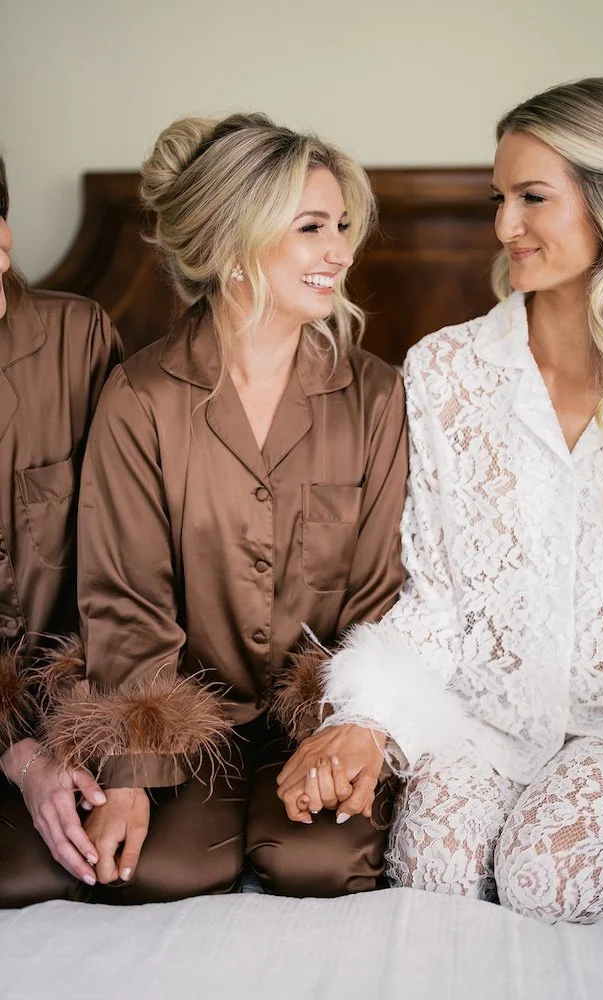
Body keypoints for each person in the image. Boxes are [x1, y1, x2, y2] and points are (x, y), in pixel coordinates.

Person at [280, 78, 603, 923]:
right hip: (477, 719)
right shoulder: (445, 370)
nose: (503, 227)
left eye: (532, 198)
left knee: (544, 880)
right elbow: (439, 593)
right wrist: (370, 718)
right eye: (498, 198)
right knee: (434, 880)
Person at [34, 113, 407, 905]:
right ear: (236, 243)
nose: (339, 250)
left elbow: (379, 594)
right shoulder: (140, 399)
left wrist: (352, 731)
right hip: (186, 712)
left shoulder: (376, 395)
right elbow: (125, 597)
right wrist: (130, 775)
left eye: (341, 225)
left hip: (319, 713)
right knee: (157, 872)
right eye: (311, 227)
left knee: (316, 865)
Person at [0, 153, 123, 906]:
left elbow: (130, 562)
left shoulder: (76, 338)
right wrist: (17, 757)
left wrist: (63, 742)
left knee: (71, 874)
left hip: (78, 709)